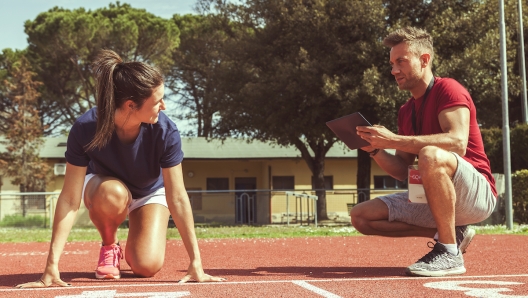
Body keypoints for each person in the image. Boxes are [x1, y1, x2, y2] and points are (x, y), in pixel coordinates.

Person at [16, 49, 225, 288]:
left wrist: (196, 262)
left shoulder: (166, 131)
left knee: (146, 266)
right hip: (106, 190)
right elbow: (70, 198)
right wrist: (51, 266)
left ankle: (134, 245)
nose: (164, 106)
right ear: (130, 105)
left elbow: (176, 196)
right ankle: (109, 245)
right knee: (112, 192)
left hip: (149, 192)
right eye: (157, 101)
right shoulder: (85, 128)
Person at [351, 27, 497, 277]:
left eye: (401, 62)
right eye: (392, 63)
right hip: (435, 197)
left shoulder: (449, 89)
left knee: (430, 154)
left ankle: (449, 253)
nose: (394, 70)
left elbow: (457, 142)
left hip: (476, 194)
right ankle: (450, 233)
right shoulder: (406, 111)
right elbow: (401, 171)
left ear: (424, 59)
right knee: (361, 217)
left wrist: (395, 139)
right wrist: (375, 150)